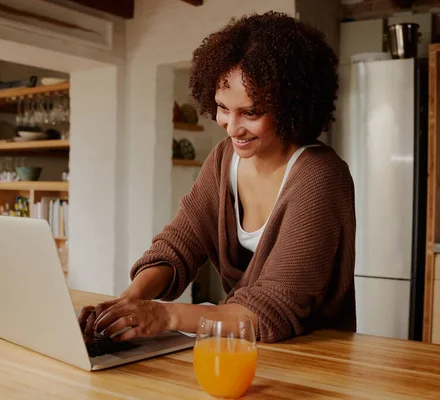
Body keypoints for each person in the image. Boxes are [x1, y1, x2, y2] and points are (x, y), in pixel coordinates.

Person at [79, 11, 356, 343]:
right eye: (223, 108)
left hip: (314, 362)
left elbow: (273, 310)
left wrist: (164, 314)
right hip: (243, 350)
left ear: (291, 106)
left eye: (250, 112)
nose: (233, 127)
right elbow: (178, 244)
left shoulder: (321, 177)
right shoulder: (224, 158)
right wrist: (128, 302)